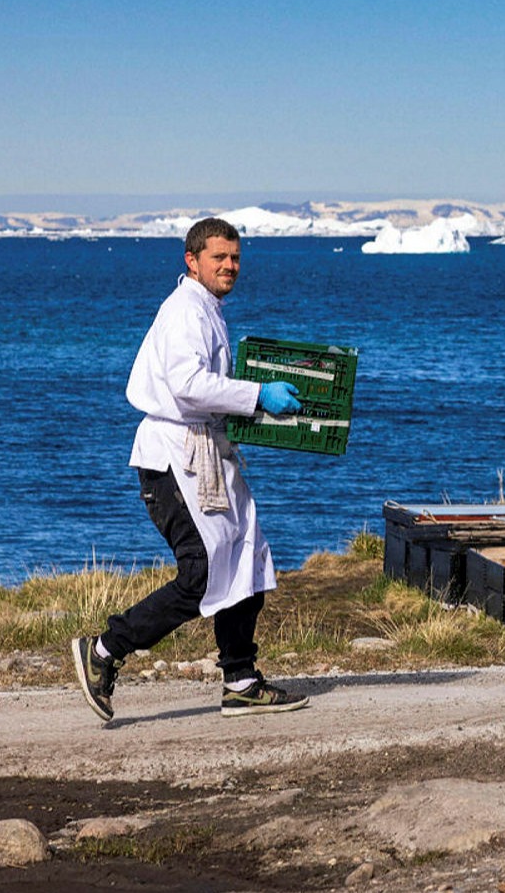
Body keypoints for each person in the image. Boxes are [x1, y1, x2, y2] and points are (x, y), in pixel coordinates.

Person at [69, 216, 309, 722]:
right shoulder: (185, 311)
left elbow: (207, 389)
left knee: (245, 556)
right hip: (176, 458)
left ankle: (241, 680)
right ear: (192, 260)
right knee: (202, 573)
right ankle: (104, 650)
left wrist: (258, 409)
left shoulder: (208, 309)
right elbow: (188, 386)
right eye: (219, 257)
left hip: (206, 452)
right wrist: (257, 395)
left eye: (236, 258)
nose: (229, 266)